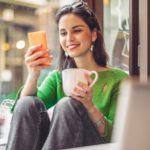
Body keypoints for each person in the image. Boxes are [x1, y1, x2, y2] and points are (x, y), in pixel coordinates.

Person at [6, 1, 128, 150]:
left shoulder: (118, 79)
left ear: (94, 34)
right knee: (27, 102)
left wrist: (89, 107)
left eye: (77, 30)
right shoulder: (57, 77)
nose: (69, 38)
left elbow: (118, 136)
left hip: (98, 146)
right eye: (63, 33)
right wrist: (33, 74)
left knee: (67, 104)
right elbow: (22, 112)